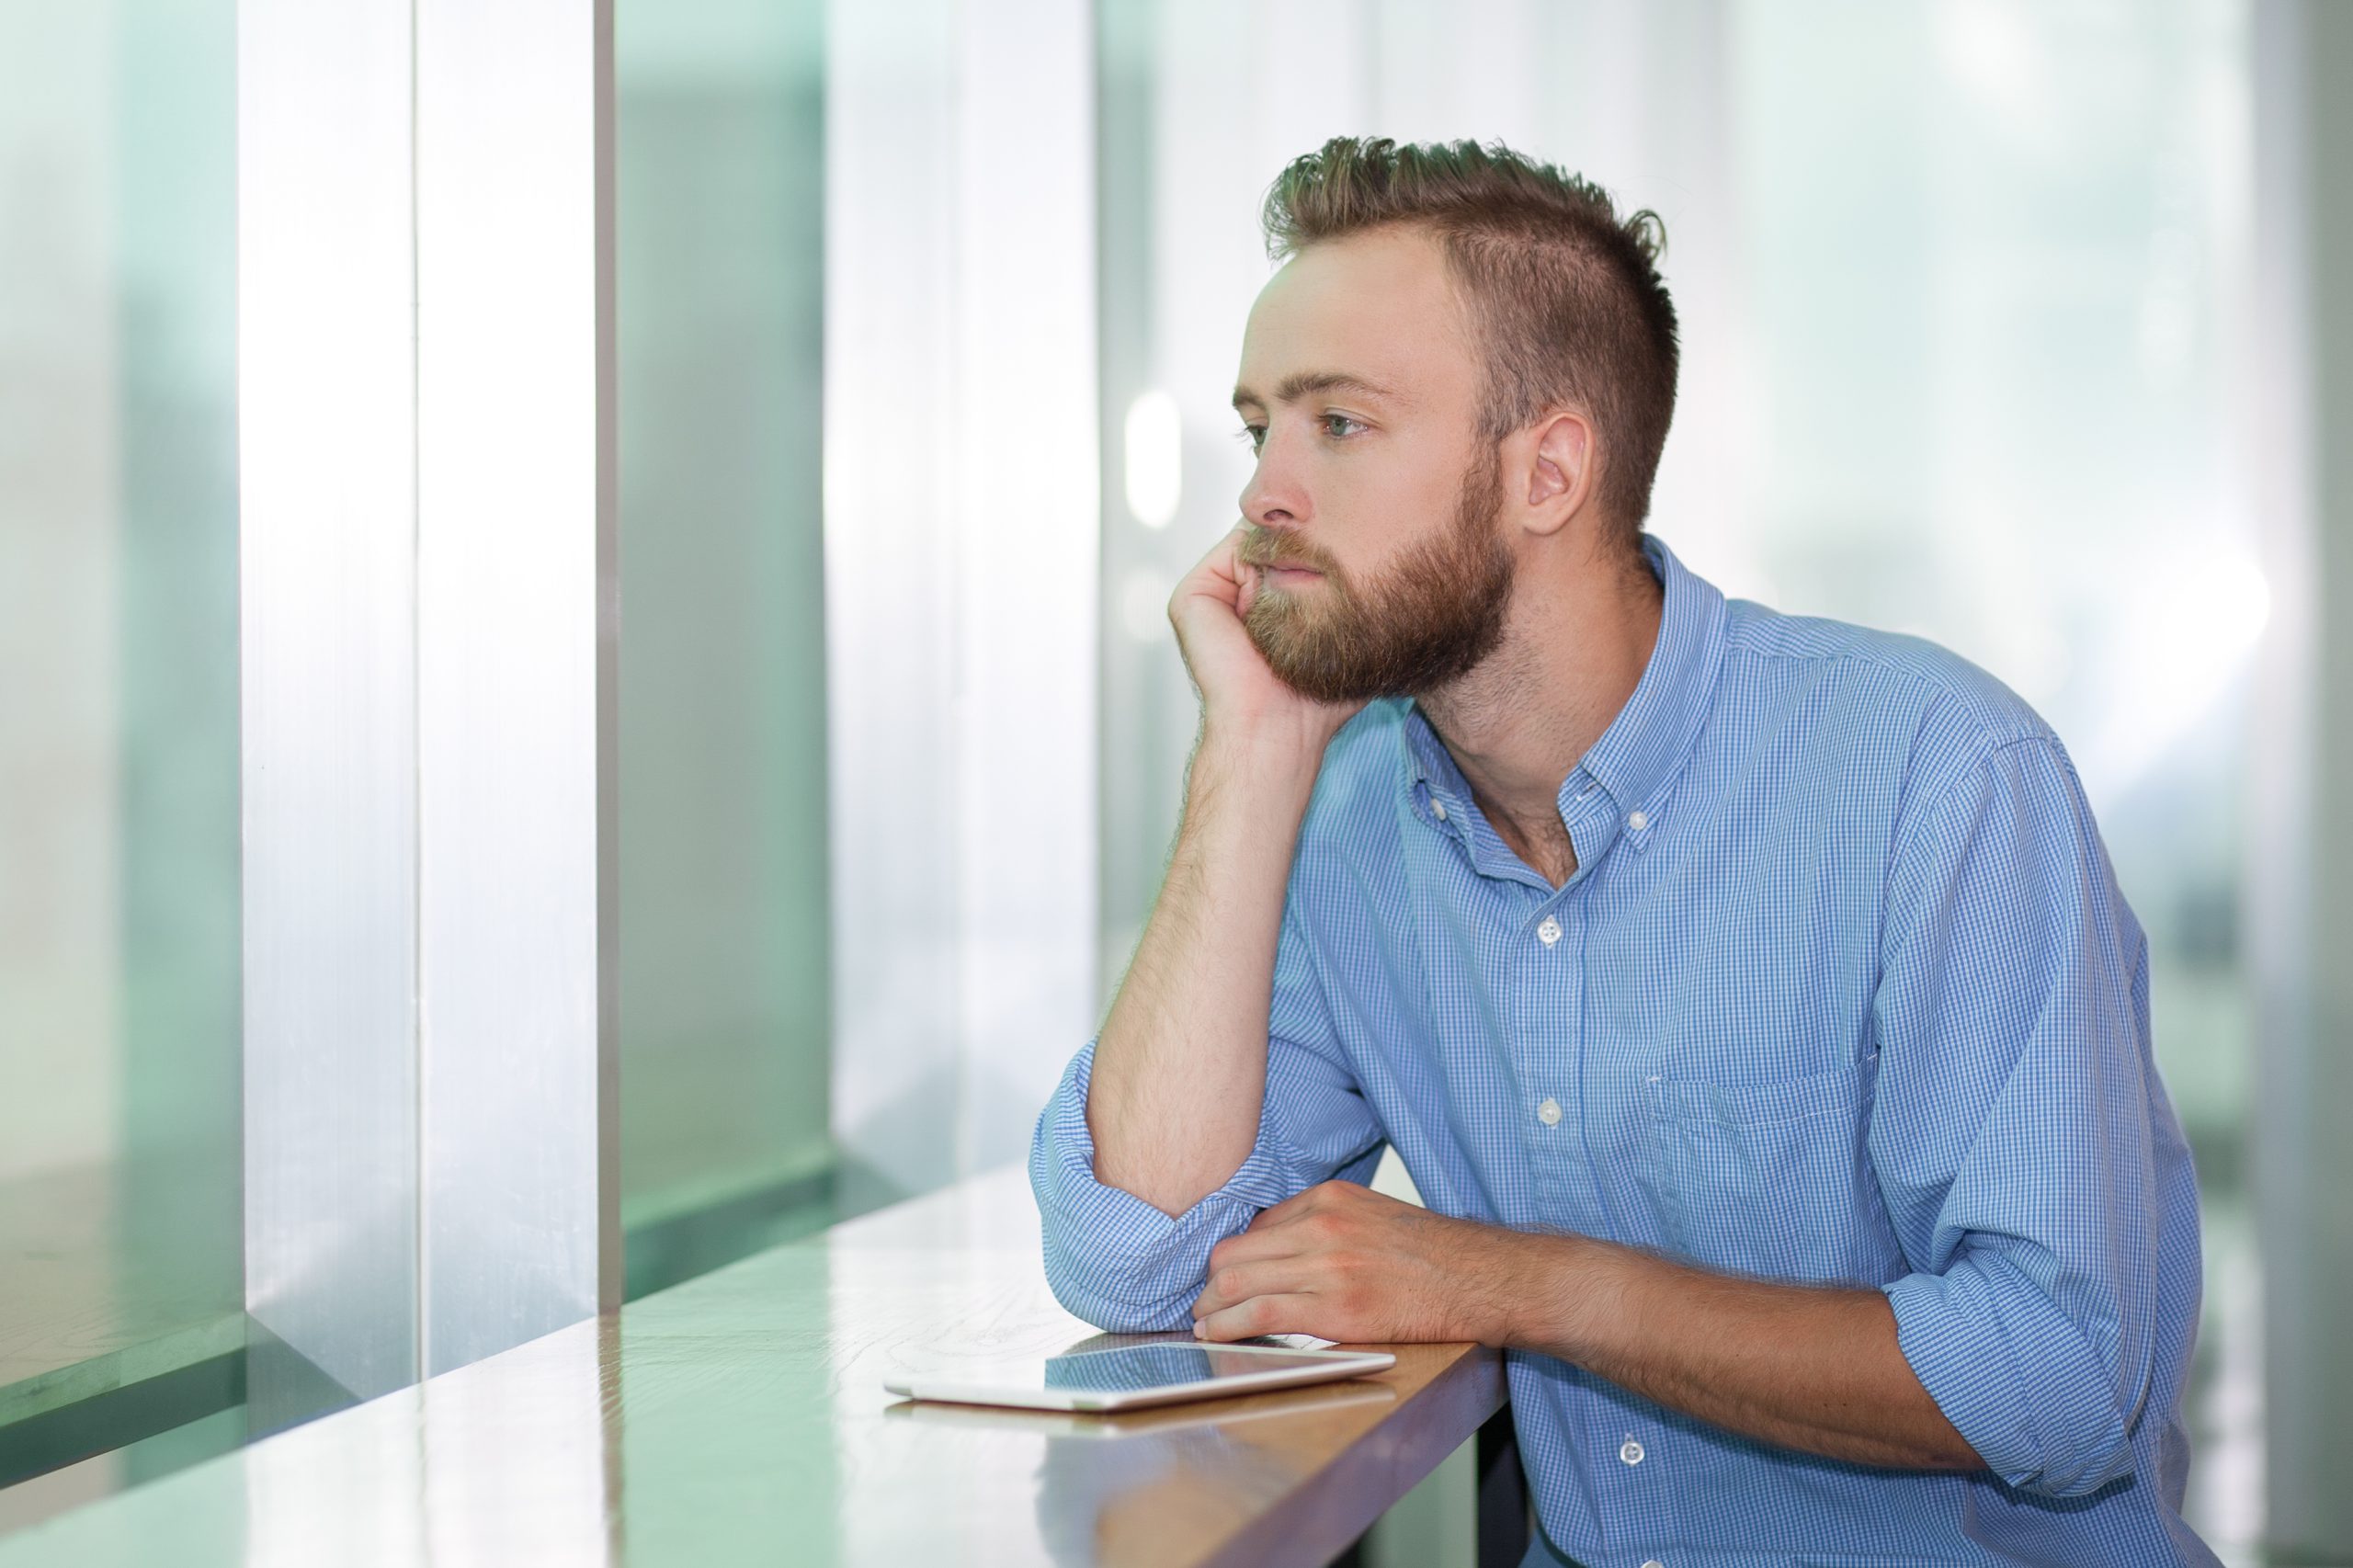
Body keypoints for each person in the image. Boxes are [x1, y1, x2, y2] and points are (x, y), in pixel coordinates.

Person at [1029, 136, 2215, 1567]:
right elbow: (1132, 1257)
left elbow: (2059, 1369)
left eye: (1337, 424)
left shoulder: (1937, 775)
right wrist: (1251, 751)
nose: (1264, 495)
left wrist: (1519, 1283)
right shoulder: (1349, 816)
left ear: (1549, 472)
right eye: (1258, 427)